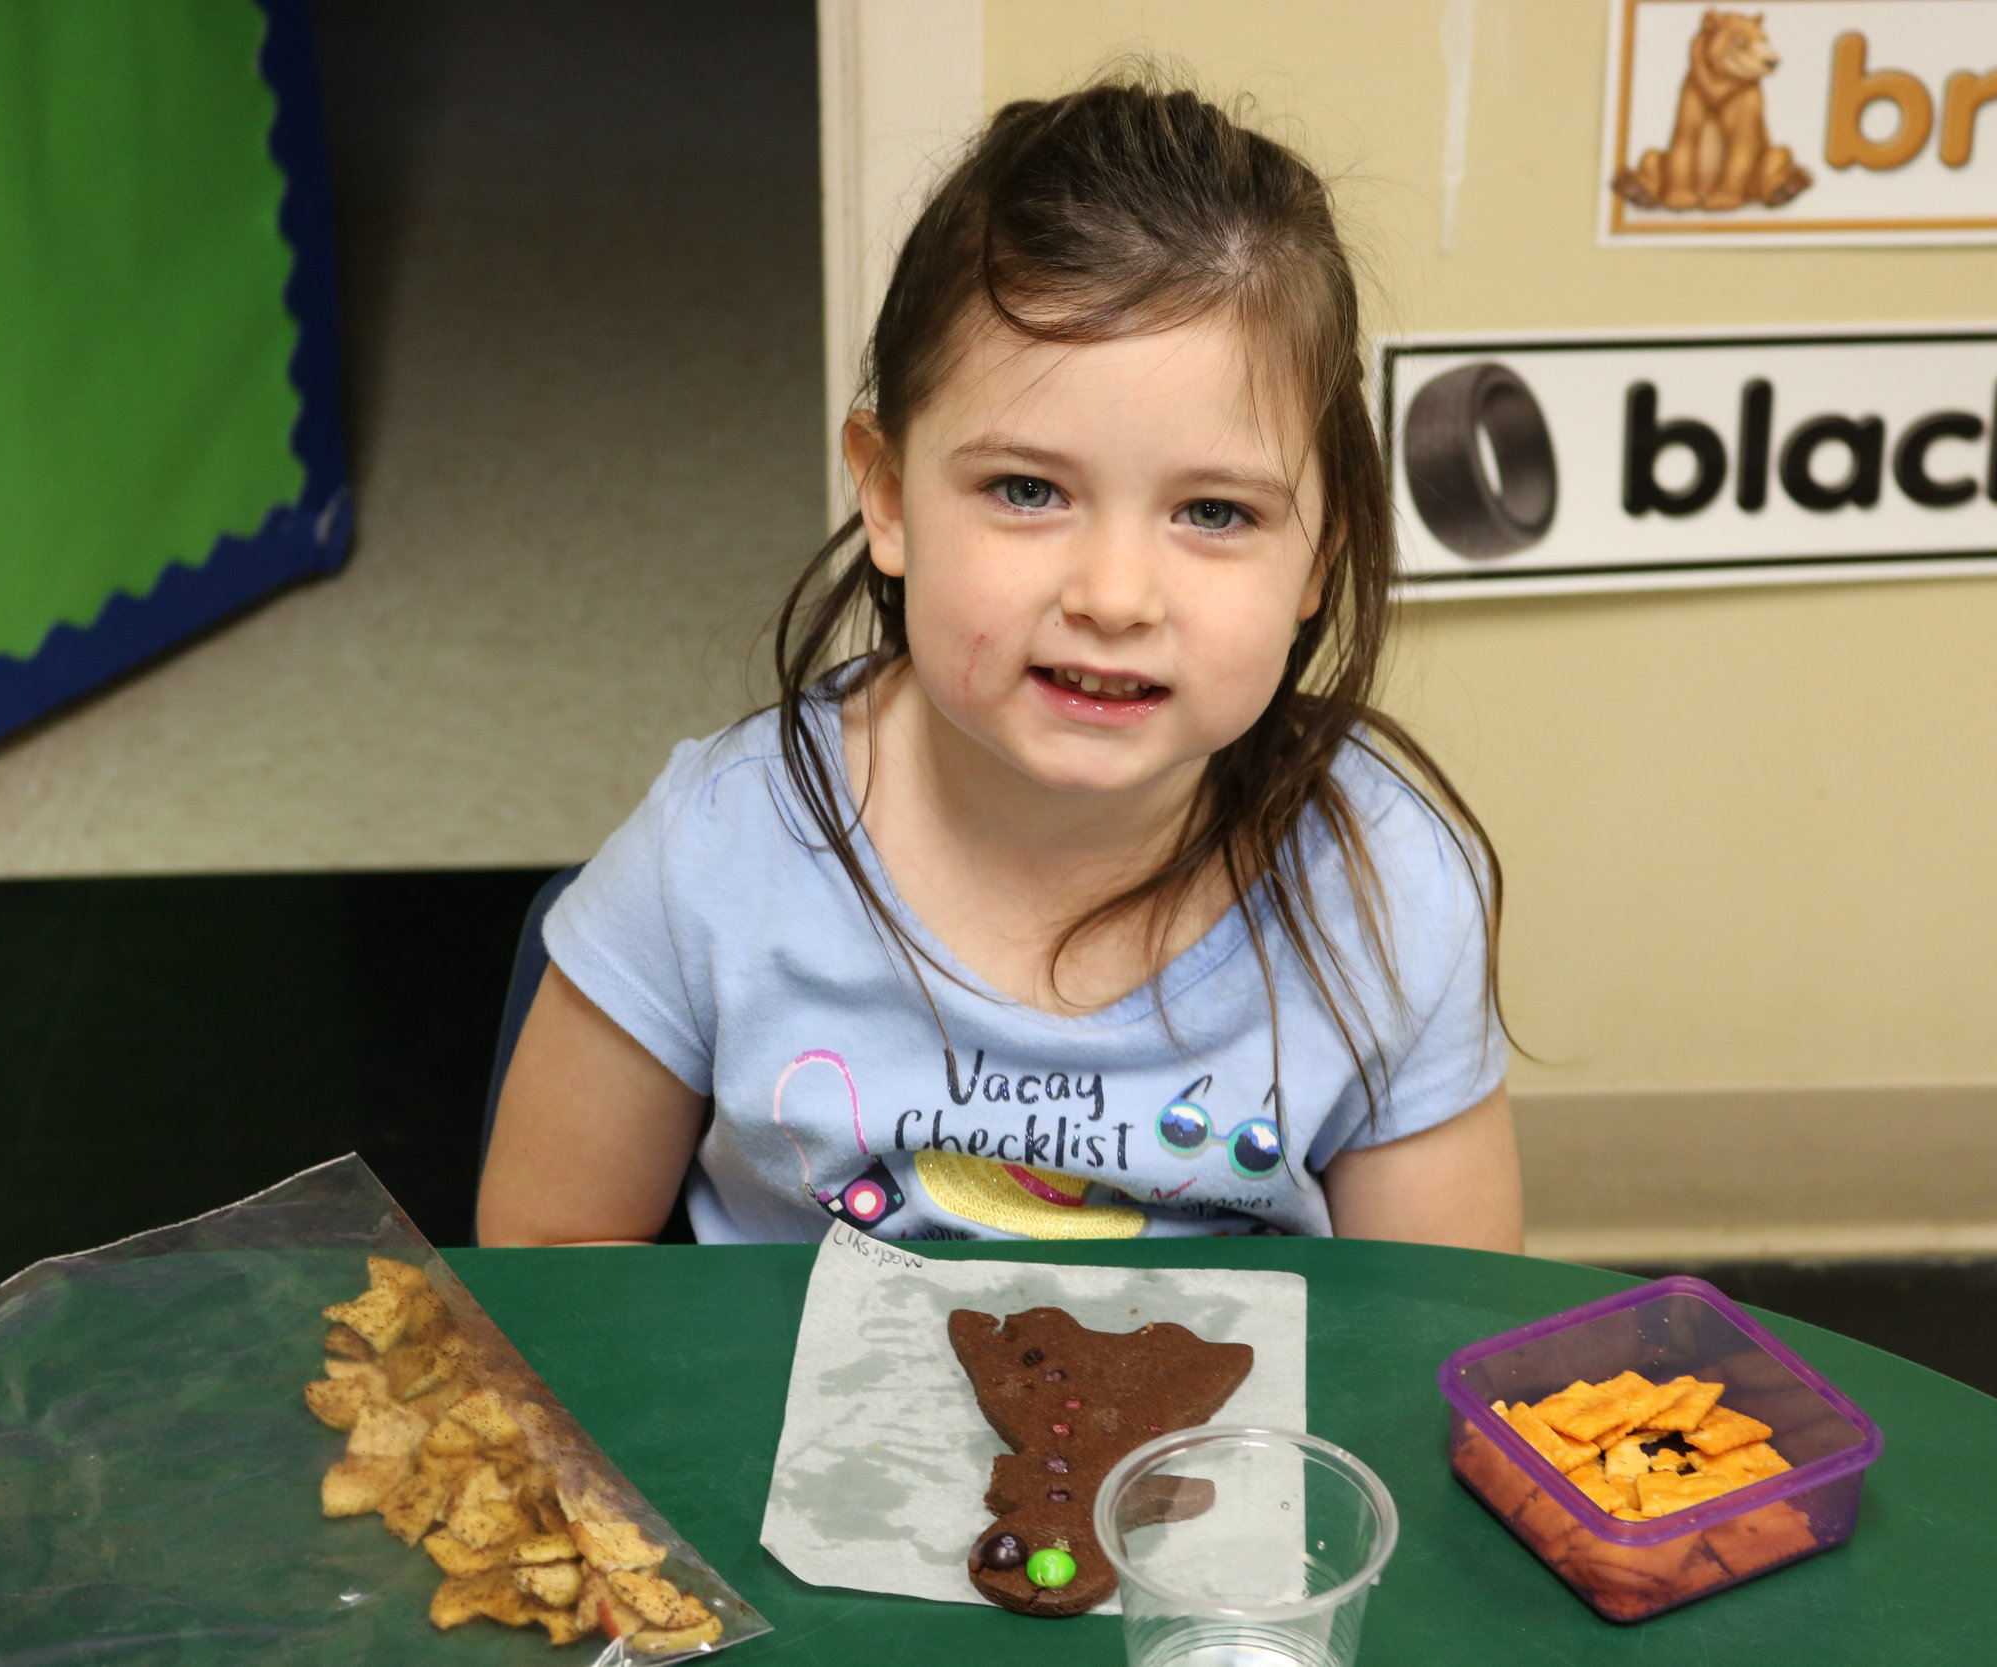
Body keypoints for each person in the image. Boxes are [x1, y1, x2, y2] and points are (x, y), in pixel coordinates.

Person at [479, 77, 1521, 1250]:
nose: (1113, 597)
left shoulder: (1388, 890)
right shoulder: (715, 855)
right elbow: (549, 1266)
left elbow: (1439, 1322)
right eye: (1027, 489)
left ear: (1318, 560)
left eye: (1214, 512)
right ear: (888, 496)